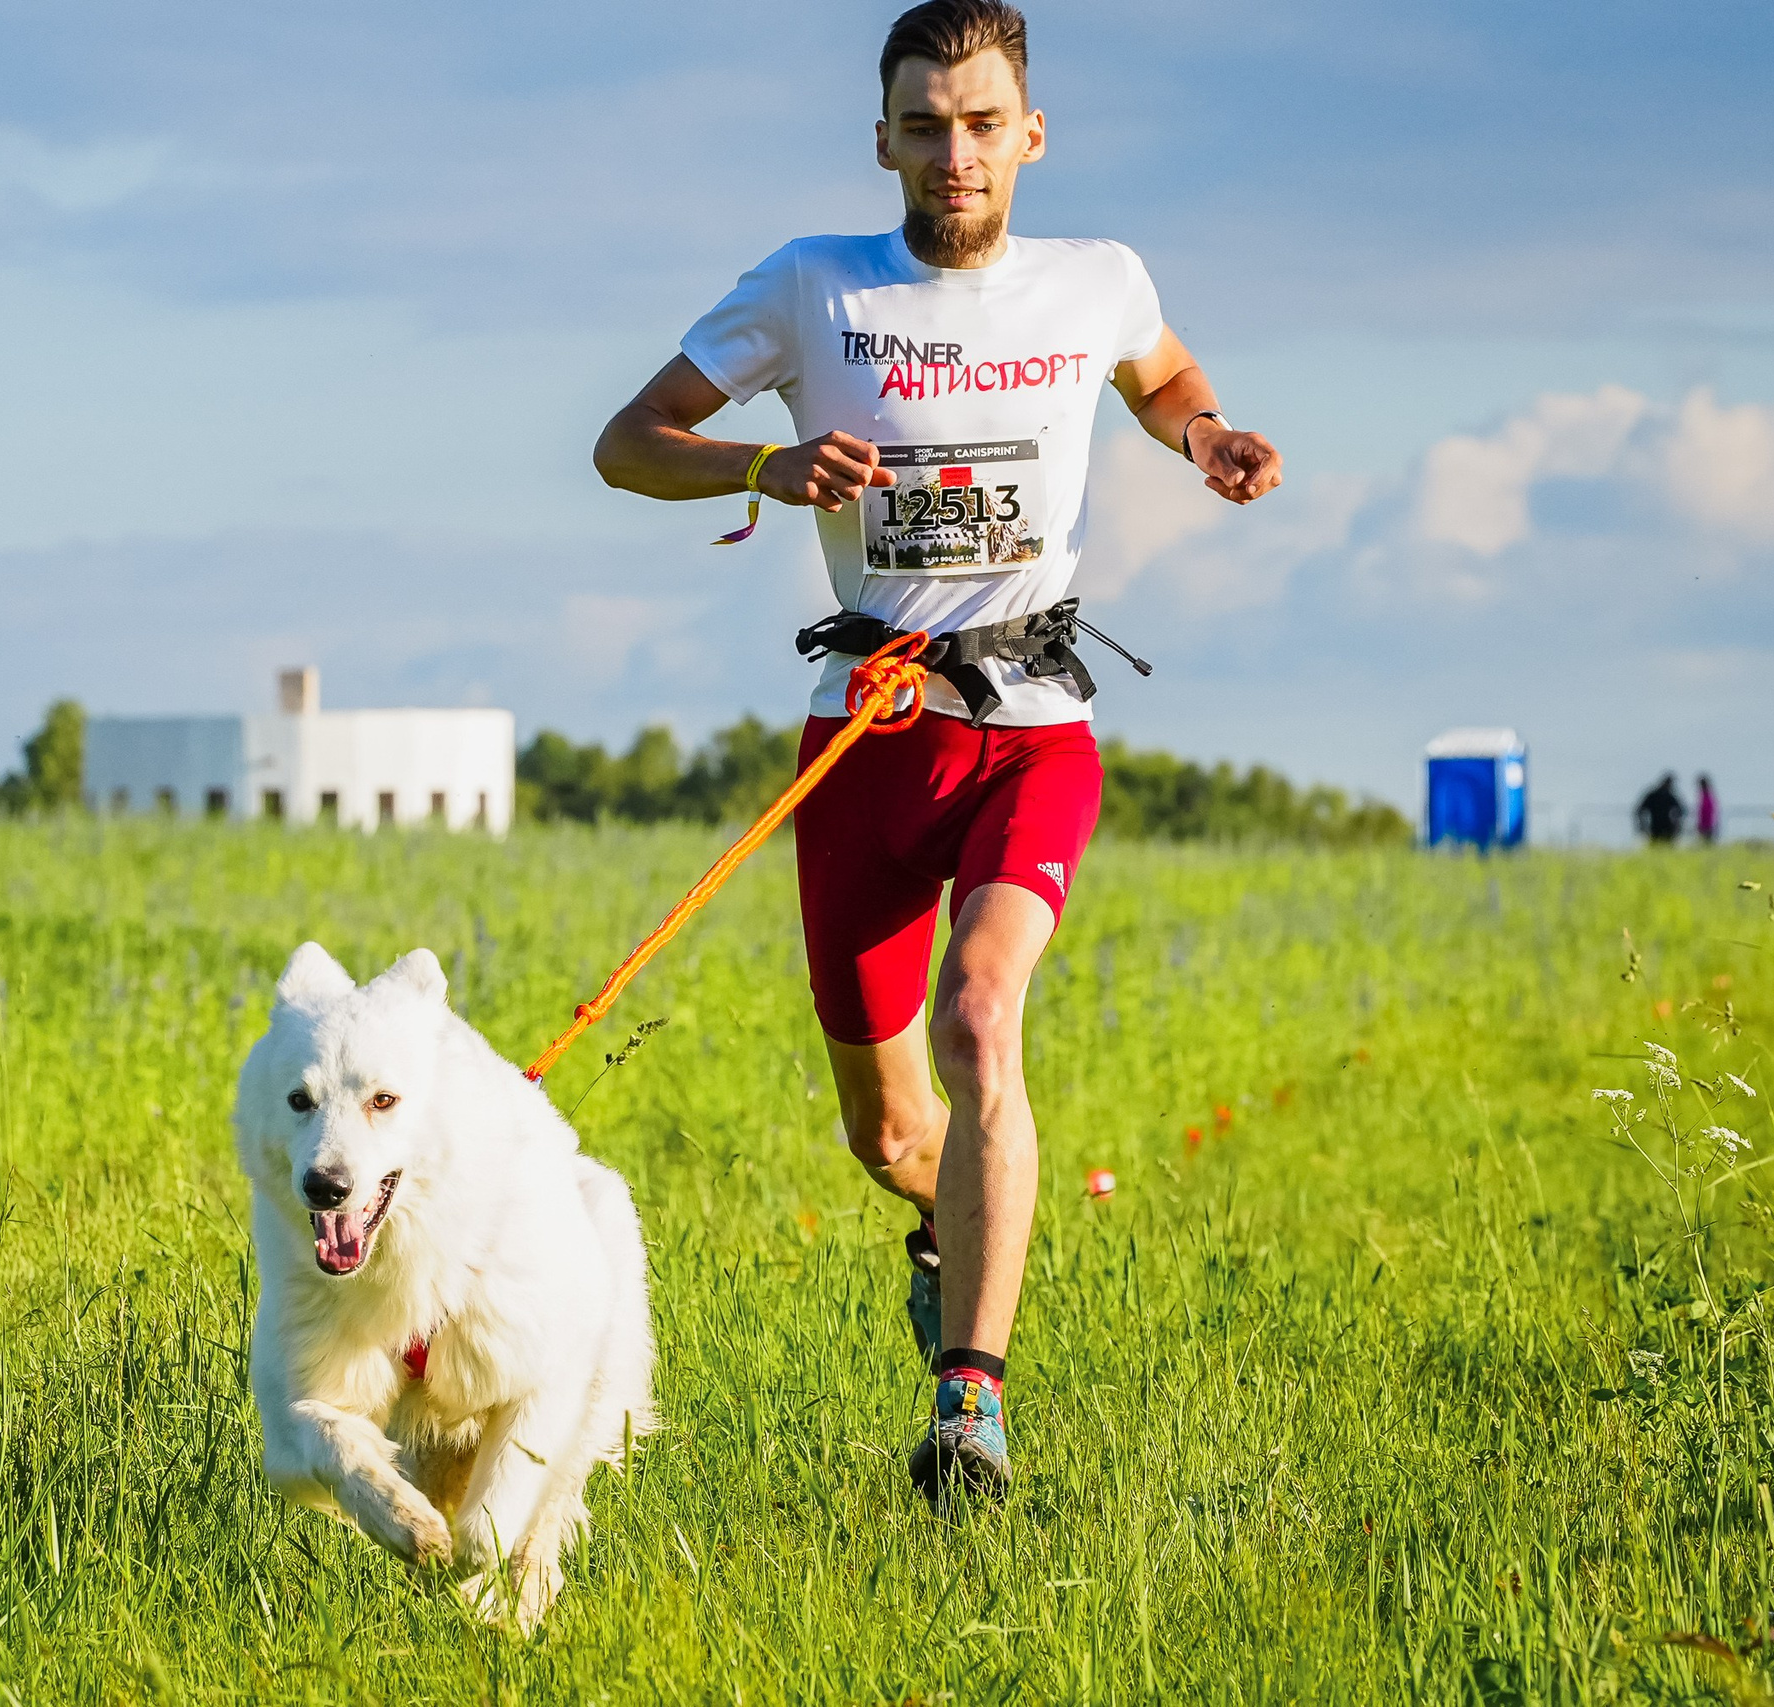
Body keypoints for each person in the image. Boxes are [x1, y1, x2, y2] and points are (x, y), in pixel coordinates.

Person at [592, 0, 1282, 1506]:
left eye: (983, 124)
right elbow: (628, 441)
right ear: (885, 138)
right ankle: (946, 1220)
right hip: (864, 744)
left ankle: (971, 1406)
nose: (954, 153)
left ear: (1029, 135)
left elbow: (1162, 375)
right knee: (893, 1123)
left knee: (982, 1020)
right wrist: (766, 463)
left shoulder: (1095, 281)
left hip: (1033, 725)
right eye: (925, 124)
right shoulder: (809, 286)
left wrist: (1207, 432)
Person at [1636, 773, 1684, 845]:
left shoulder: (1656, 795)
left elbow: (1640, 810)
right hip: (1659, 827)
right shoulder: (1662, 795)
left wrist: (1642, 825)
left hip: (1661, 826)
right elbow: (1680, 810)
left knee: (1658, 848)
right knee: (1664, 848)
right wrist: (1642, 824)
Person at [1696, 773, 1720, 844]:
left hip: (1707, 823)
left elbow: (1705, 811)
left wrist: (1702, 823)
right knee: (1707, 842)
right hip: (1708, 822)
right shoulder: (1707, 795)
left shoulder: (1706, 796)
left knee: (1707, 842)